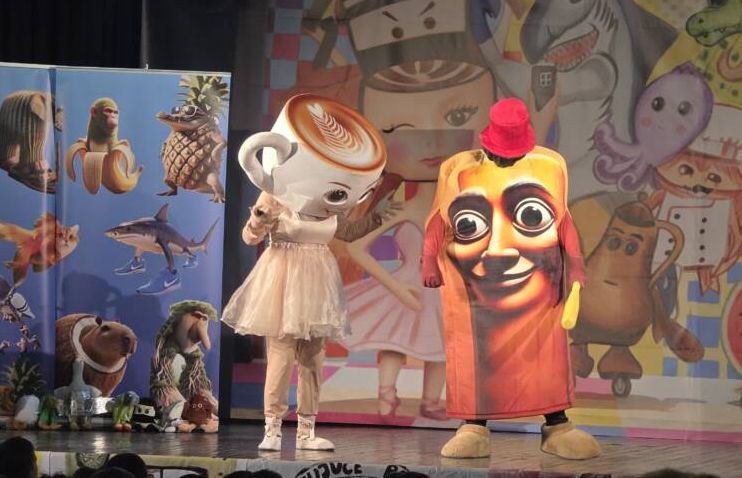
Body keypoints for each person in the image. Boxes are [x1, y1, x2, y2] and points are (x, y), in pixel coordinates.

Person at [421, 97, 601, 459]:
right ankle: (474, 425)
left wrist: (577, 263)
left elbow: (563, 219)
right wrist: (428, 260)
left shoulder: (548, 165)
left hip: (539, 283)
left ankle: (557, 424)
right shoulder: (459, 168)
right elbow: (439, 218)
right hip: (474, 288)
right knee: (474, 349)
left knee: (545, 350)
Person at [222, 95, 390, 452]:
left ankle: (306, 432)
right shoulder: (275, 194)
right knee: (280, 357)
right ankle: (271, 428)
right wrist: (258, 220)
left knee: (313, 359)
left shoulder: (329, 203)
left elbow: (346, 232)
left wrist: (377, 216)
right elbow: (250, 236)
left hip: (318, 279)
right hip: (283, 276)